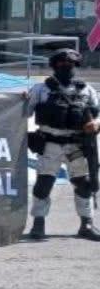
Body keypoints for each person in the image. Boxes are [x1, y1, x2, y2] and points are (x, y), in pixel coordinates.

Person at [26, 48, 100, 241]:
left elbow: (97, 115)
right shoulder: (41, 89)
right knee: (43, 185)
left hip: (77, 146)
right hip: (50, 144)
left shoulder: (86, 90)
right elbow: (22, 113)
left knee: (83, 185)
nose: (67, 67)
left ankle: (86, 224)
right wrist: (20, 98)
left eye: (71, 64)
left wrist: (96, 124)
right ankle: (38, 223)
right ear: (54, 66)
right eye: (62, 64)